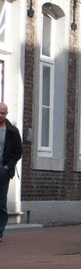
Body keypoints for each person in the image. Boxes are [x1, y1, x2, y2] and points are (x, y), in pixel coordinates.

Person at [0, 102, 22, 242]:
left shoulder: (12, 131)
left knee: (1, 202)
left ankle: (0, 232)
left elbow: (18, 152)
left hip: (3, 168)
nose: (0, 115)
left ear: (6, 114)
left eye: (3, 113)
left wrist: (8, 166)